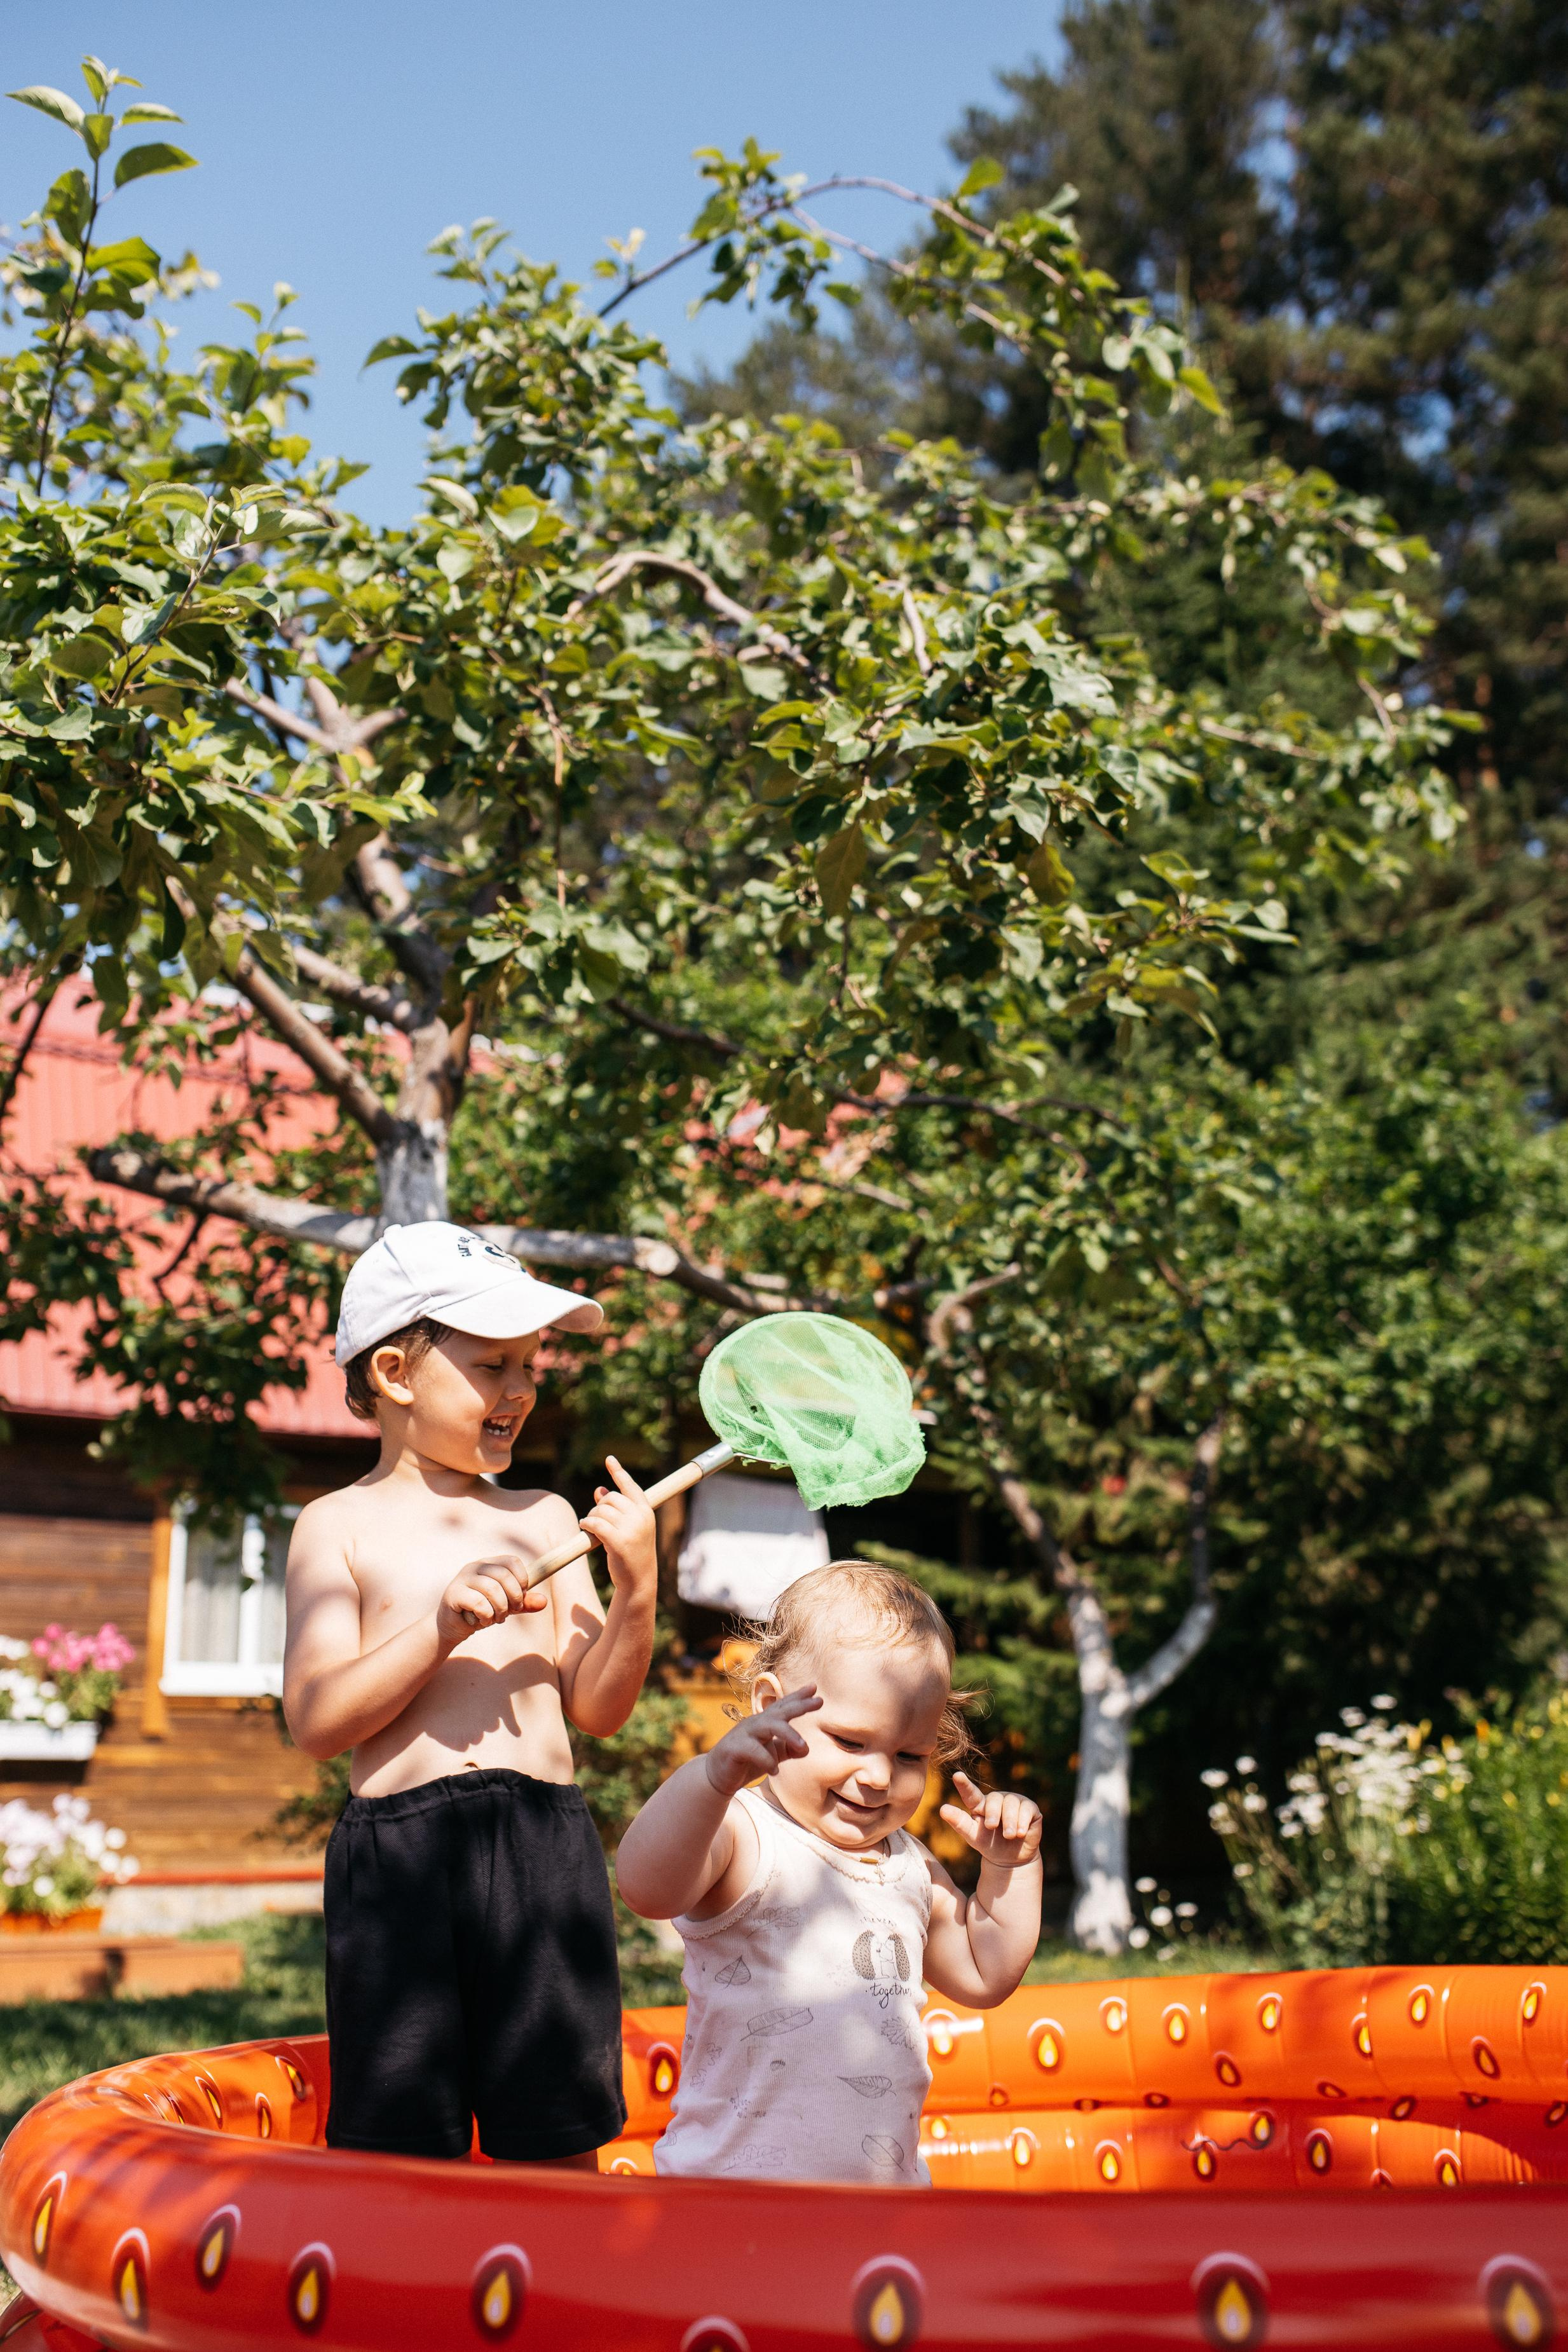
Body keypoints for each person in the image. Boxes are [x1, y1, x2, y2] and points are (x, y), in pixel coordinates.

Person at [283, 1220, 657, 2169]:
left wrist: (637, 1592)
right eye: (493, 1366)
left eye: (529, 1367)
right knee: (400, 2142)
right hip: (400, 1854)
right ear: (397, 1376)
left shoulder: (542, 1518)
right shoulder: (339, 1525)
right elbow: (317, 1723)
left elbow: (597, 1708)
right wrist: (439, 1631)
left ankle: (563, 2308)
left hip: (543, 1846)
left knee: (559, 2131)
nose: (522, 1390)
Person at [615, 1558, 1044, 2185]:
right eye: (849, 1741)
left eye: (908, 1755)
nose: (876, 1775)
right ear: (772, 1707)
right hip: (730, 2195)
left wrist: (1012, 1867)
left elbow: (984, 1974)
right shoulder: (742, 1834)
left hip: (879, 2200)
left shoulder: (906, 1864)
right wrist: (709, 1779)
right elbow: (645, 1887)